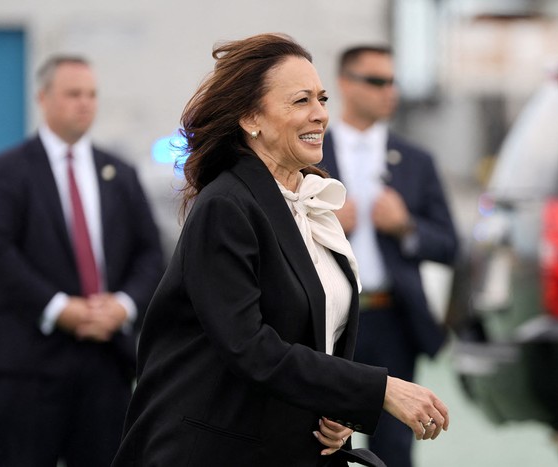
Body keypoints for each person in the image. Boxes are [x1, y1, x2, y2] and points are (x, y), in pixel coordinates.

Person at [112, 33, 449, 467]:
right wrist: (380, 389)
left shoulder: (307, 201)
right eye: (301, 101)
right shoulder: (227, 206)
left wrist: (336, 408)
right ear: (252, 117)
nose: (320, 115)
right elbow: (250, 347)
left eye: (322, 98)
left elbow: (311, 333)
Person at [0, 56, 165, 466]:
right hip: (31, 367)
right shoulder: (9, 172)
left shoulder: (118, 173)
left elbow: (151, 252)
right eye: (73, 94)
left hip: (107, 363)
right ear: (43, 98)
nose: (85, 103)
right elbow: (1, 254)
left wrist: (122, 306)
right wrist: (59, 308)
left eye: (91, 94)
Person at [318, 45, 460, 467]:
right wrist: (323, 225)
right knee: (324, 439)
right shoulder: (311, 153)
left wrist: (406, 226)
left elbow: (450, 244)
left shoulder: (416, 160)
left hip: (391, 318)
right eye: (376, 81)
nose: (389, 91)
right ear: (345, 83)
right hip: (328, 320)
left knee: (395, 446)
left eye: (393, 81)